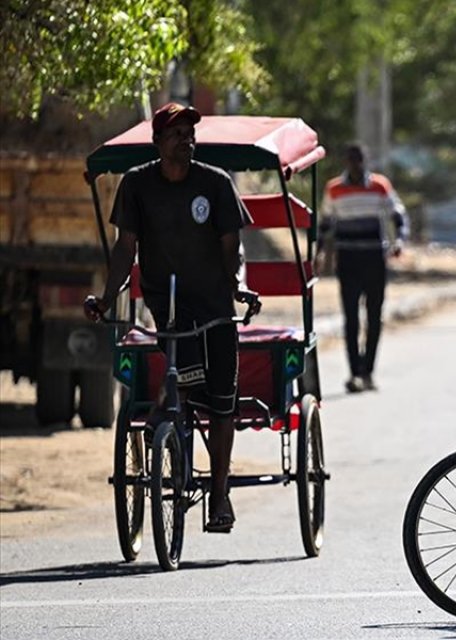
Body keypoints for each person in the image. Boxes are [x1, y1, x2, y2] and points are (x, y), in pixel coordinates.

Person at [84, 102, 260, 533]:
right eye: (177, 133)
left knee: (222, 402)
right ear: (158, 142)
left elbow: (232, 249)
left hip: (215, 305)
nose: (186, 139)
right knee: (175, 383)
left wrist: (237, 286)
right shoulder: (137, 185)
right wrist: (107, 299)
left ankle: (219, 494)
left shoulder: (215, 183)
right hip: (167, 304)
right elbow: (126, 248)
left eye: (190, 132)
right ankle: (171, 444)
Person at [319, 144, 407, 393]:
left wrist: (399, 241)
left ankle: (368, 371)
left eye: (359, 161)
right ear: (346, 162)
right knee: (351, 318)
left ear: (364, 162)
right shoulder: (334, 189)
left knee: (374, 316)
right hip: (347, 260)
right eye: (351, 161)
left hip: (374, 260)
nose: (355, 166)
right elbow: (325, 223)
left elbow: (397, 214)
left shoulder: (379, 186)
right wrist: (319, 253)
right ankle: (355, 372)